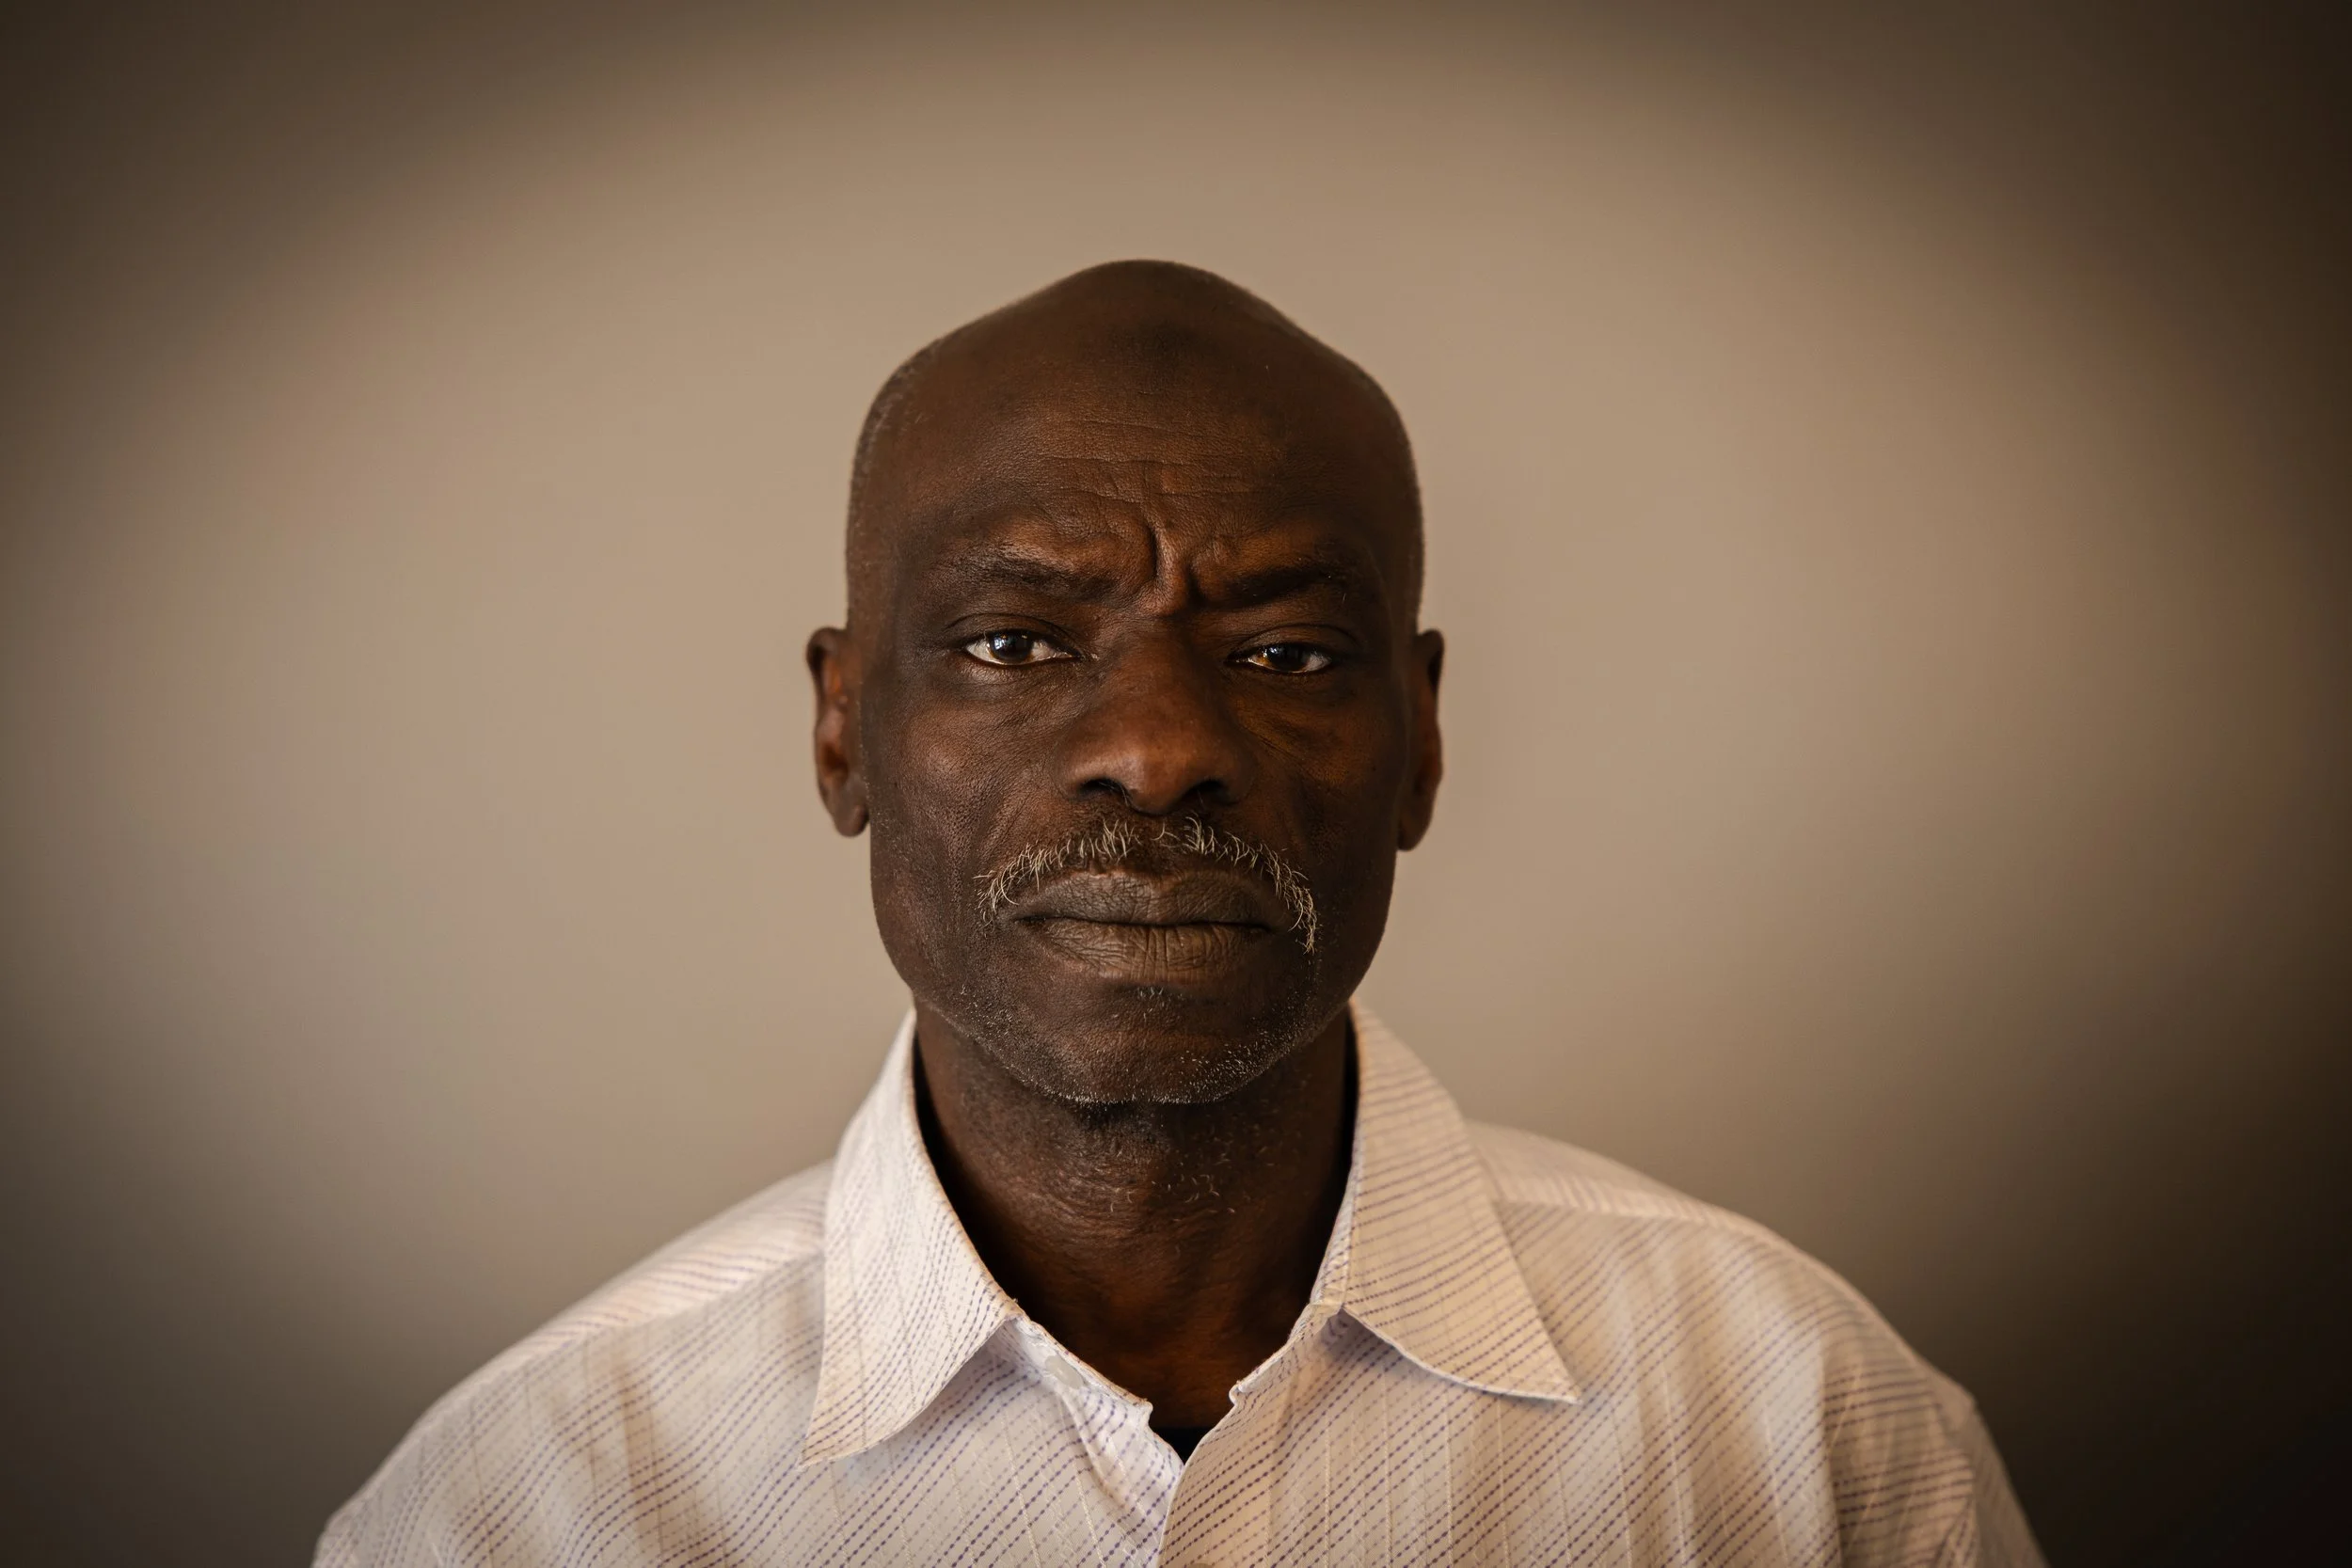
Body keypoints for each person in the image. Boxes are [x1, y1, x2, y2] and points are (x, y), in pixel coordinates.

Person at [318, 261, 2042, 1566]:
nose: (1156, 751)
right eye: (1015, 641)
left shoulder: (1805, 1431)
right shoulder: (527, 1506)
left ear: (1423, 739)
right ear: (843, 729)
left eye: (1284, 651)